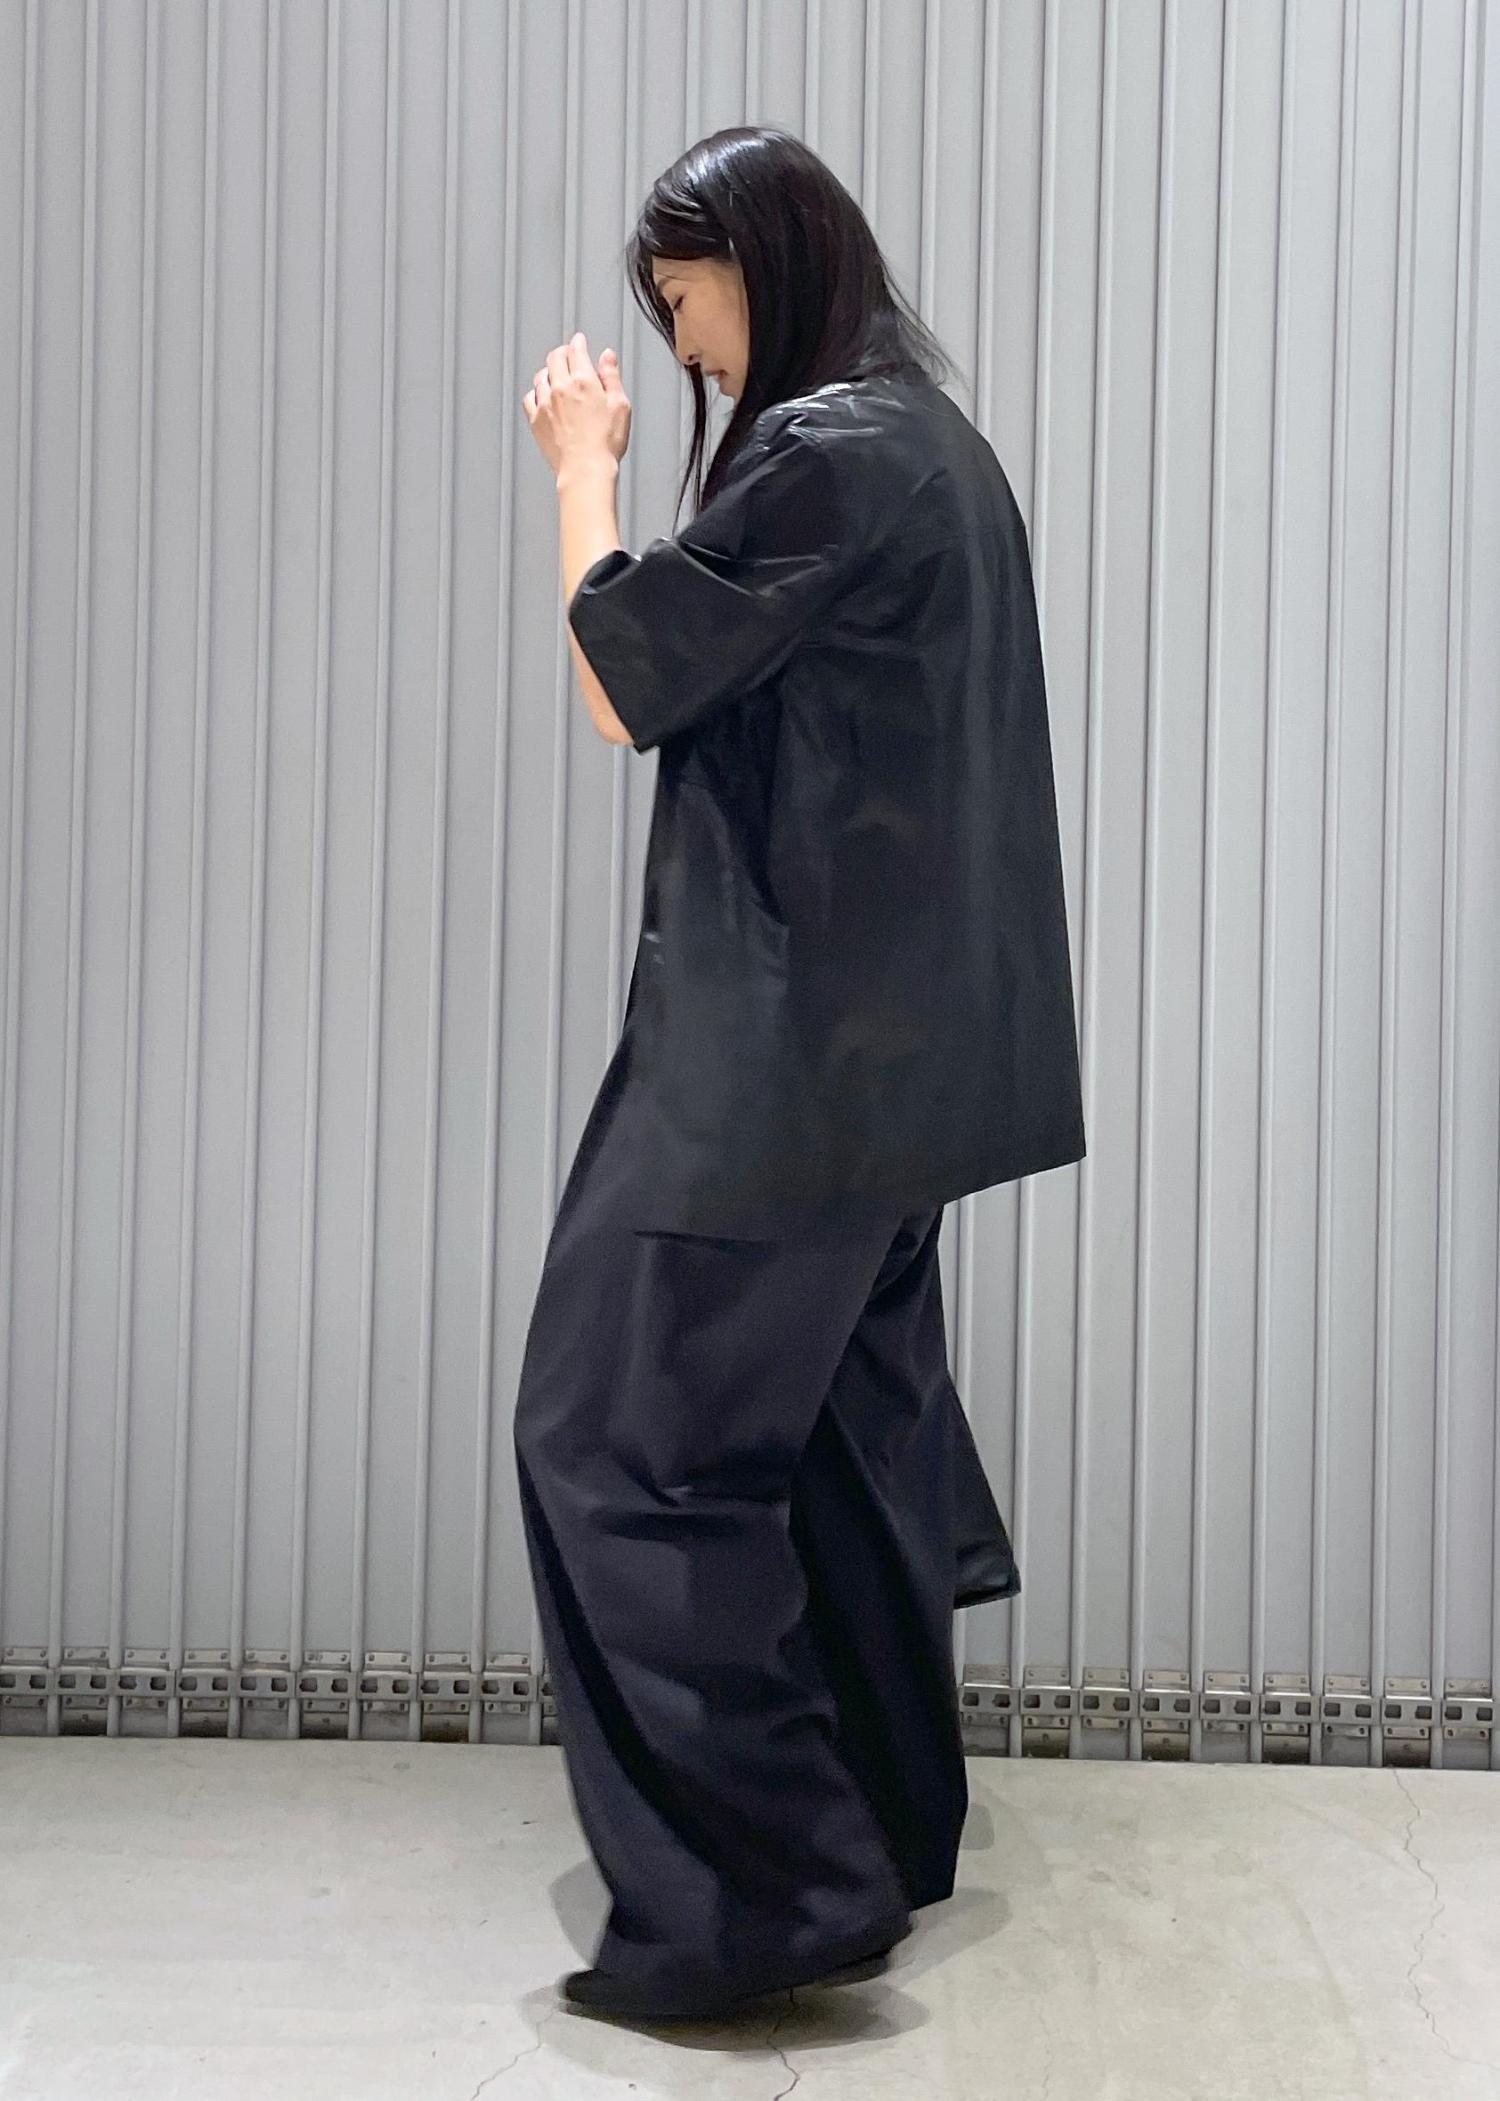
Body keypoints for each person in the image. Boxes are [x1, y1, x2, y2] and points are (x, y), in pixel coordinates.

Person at [515, 125, 1084, 2024]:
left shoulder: (832, 451)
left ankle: (767, 1897)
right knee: (849, 1455)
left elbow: (624, 678)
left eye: (684, 303)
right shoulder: (938, 447)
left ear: (760, 263)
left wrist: (582, 475)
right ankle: (882, 1832)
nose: (682, 348)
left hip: (779, 1076)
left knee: (620, 1443)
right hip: (888, 1086)